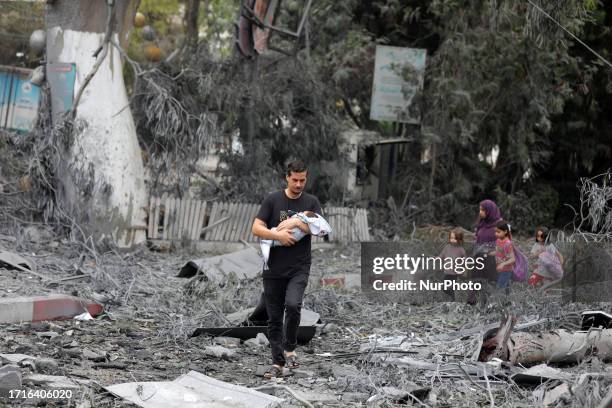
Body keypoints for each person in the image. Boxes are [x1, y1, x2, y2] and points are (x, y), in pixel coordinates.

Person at [251, 159, 323, 379]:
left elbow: (320, 229)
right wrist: (278, 235)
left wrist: (296, 224)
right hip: (273, 267)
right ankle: (277, 363)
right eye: (295, 180)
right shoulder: (273, 199)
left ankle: (290, 347)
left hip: (299, 267)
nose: (299, 184)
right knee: (274, 318)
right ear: (287, 177)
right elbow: (256, 228)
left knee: (292, 305)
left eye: (303, 180)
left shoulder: (311, 202)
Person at [260, 210, 331, 270]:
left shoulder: (310, 201)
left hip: (297, 261)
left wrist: (298, 223)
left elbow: (321, 232)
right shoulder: (280, 203)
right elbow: (281, 220)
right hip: (277, 257)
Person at [467, 199, 502, 305]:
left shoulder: (499, 225)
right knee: (475, 281)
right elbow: (477, 240)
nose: (480, 212)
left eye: (483, 210)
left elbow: (502, 243)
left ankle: (490, 305)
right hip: (479, 258)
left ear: (490, 211)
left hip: (491, 259)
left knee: (490, 283)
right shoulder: (482, 224)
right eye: (480, 210)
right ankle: (472, 304)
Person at [439, 228, 466, 300]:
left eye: (455, 239)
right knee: (444, 287)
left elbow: (465, 260)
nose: (452, 240)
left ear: (460, 240)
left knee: (450, 287)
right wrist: (437, 259)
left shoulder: (461, 249)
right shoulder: (447, 247)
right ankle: (451, 298)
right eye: (451, 238)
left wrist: (464, 270)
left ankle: (452, 300)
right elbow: (442, 255)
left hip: (454, 273)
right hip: (446, 271)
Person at [494, 221, 515, 295]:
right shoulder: (498, 240)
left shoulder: (508, 243)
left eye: (498, 232)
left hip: (506, 269)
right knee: (506, 287)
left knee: (499, 287)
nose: (496, 234)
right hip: (499, 268)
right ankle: (508, 301)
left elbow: (512, 259)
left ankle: (496, 303)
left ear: (505, 231)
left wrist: (503, 264)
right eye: (495, 232)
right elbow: (499, 252)